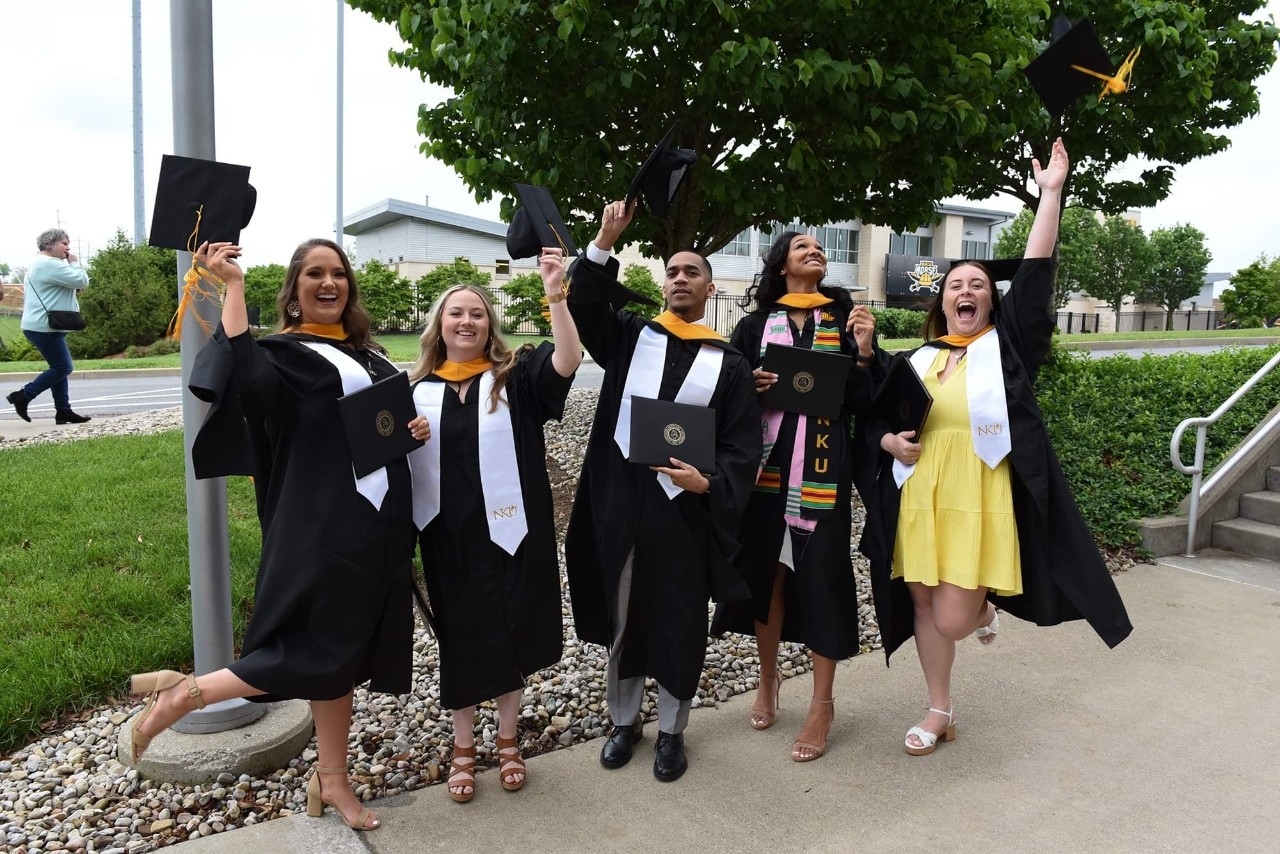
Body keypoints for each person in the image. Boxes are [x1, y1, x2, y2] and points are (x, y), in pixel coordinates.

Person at [125, 238, 417, 832]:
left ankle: (330, 780)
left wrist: (410, 429)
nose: (328, 283)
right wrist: (232, 286)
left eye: (338, 273)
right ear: (294, 288)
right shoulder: (286, 354)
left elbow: (379, 425)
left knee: (343, 658)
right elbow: (252, 390)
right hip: (320, 525)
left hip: (378, 525)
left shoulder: (370, 355)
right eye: (314, 274)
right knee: (311, 646)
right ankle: (187, 693)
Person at [858, 138, 1132, 756]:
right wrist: (887, 441)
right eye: (956, 284)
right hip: (920, 497)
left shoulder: (1006, 352)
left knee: (953, 617)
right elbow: (872, 421)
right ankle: (938, 710)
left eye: (977, 284)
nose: (966, 290)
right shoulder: (920, 358)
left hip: (978, 497)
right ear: (941, 302)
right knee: (925, 607)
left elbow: (1034, 281)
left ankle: (982, 614)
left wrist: (1051, 194)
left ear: (988, 301)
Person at [565, 200, 761, 783]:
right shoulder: (631, 336)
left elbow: (741, 445)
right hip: (624, 502)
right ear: (664, 283)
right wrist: (604, 239)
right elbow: (583, 304)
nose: (680, 279)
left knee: (678, 619)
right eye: (672, 271)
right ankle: (625, 721)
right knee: (624, 616)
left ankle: (673, 730)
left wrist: (710, 482)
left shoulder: (729, 364)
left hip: (686, 514)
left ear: (708, 287)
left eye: (691, 272)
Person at [404, 248, 581, 803]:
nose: (466, 321)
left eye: (477, 313)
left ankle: (507, 740)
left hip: (511, 536)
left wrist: (556, 291)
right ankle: (462, 747)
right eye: (456, 312)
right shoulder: (415, 391)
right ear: (440, 325)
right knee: (460, 640)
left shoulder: (515, 380)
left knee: (508, 633)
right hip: (446, 537)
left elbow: (569, 360)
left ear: (489, 326)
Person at [710, 230, 881, 762]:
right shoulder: (756, 324)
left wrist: (867, 352)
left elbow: (865, 399)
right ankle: (768, 682)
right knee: (768, 580)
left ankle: (822, 704)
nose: (814, 250)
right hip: (765, 475)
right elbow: (722, 391)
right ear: (781, 263)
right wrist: (749, 385)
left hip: (823, 471)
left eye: (818, 247)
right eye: (801, 245)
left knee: (823, 583)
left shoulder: (843, 317)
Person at [7, 229, 91, 424]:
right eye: (64, 243)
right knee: (63, 367)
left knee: (58, 368)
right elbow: (82, 280)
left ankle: (63, 411)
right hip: (43, 326)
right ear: (50, 245)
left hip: (42, 325)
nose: (68, 247)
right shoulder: (49, 264)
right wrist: (75, 263)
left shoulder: (39, 263)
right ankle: (23, 396)